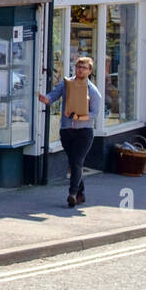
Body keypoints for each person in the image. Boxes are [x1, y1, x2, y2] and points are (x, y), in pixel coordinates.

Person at [39, 56, 102, 208]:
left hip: (84, 132)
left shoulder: (93, 91)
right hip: (67, 130)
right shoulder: (66, 84)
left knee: (77, 162)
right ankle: (81, 193)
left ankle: (72, 194)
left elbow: (95, 113)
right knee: (74, 163)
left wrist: (80, 117)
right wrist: (46, 99)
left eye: (84, 67)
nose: (80, 70)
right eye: (78, 66)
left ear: (90, 71)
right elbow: (54, 95)